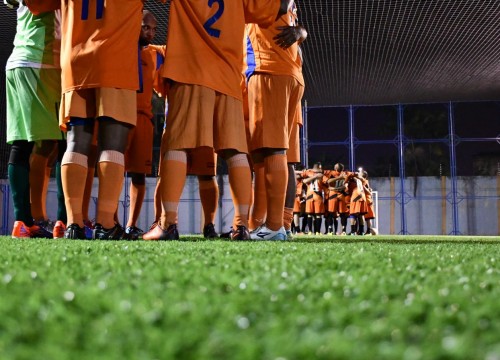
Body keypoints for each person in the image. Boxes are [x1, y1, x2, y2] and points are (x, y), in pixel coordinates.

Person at [142, 0, 293, 240]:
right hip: (228, 75)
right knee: (235, 151)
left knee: (177, 144)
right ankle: (241, 226)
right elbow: (278, 8)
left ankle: (167, 224)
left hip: (188, 69)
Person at [27, 0, 151, 240]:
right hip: (117, 62)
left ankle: (73, 224)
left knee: (76, 142)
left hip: (75, 62)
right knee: (112, 144)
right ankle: (105, 224)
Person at [246, 0, 306, 240]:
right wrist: (301, 32)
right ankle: (276, 224)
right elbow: (294, 22)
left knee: (273, 151)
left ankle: (273, 227)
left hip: (269, 69)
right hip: (289, 73)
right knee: (277, 155)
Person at [5, 1, 64, 238]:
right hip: (40, 61)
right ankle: (65, 220)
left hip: (21, 61)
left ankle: (27, 221)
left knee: (36, 143)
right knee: (65, 140)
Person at [123, 10, 166, 240]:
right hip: (119, 116)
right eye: (145, 27)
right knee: (111, 169)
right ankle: (106, 222)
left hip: (143, 120)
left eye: (153, 29)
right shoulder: (120, 46)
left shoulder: (156, 54)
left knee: (139, 176)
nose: (149, 32)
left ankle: (130, 225)